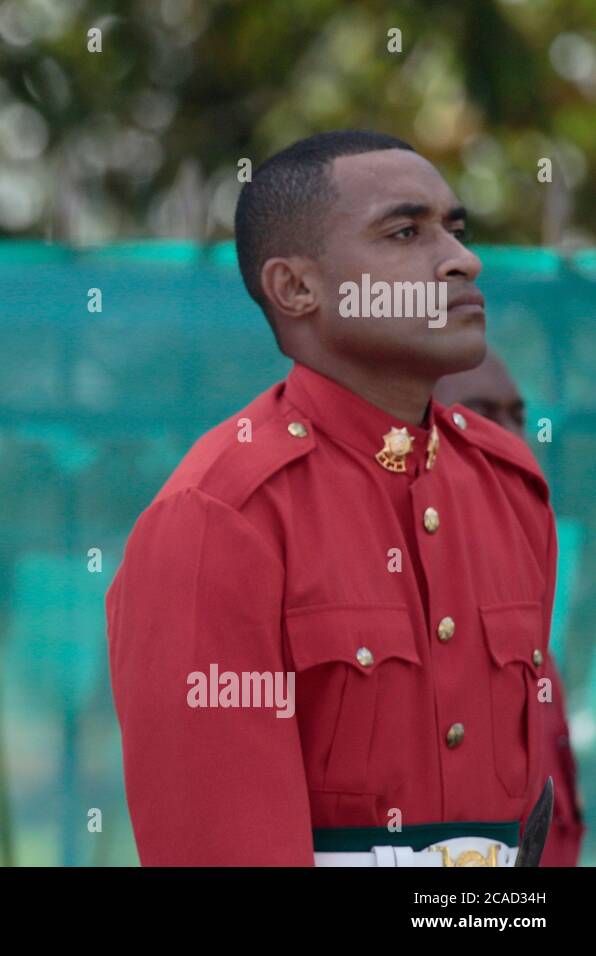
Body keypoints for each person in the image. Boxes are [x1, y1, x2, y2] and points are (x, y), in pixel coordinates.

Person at [107, 130, 558, 866]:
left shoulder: (509, 488)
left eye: (457, 229)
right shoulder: (222, 514)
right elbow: (221, 847)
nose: (463, 259)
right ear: (296, 288)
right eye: (406, 232)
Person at [435, 350, 585, 866]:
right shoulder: (410, 634)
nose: (513, 442)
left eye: (517, 418)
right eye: (479, 416)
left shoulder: (525, 634)